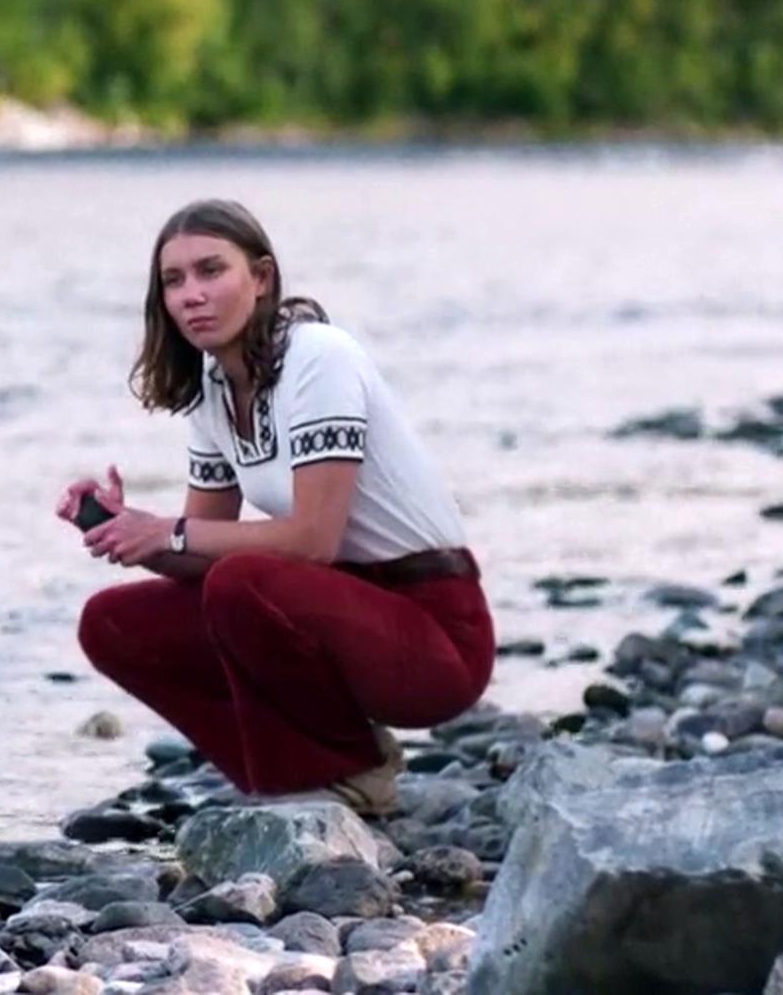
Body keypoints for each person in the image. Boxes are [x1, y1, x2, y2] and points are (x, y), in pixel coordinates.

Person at [55, 199, 494, 816]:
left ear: (261, 278)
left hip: (433, 634)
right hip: (327, 612)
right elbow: (198, 554)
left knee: (241, 582)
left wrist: (171, 532)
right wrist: (130, 531)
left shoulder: (318, 357)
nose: (191, 295)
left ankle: (345, 774)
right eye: (173, 281)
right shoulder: (211, 389)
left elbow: (312, 540)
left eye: (212, 271)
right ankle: (309, 775)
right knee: (112, 624)